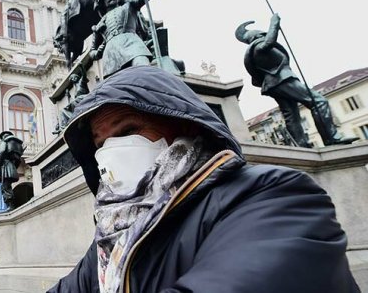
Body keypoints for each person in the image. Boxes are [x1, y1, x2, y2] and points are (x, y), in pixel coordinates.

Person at [49, 66, 359, 293]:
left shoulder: (276, 196)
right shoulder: (113, 232)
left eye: (128, 130)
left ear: (186, 127)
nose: (111, 151)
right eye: (100, 144)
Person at [236, 13, 358, 147]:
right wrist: (274, 23)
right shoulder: (258, 48)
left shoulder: (254, 52)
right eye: (262, 34)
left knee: (291, 115)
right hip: (281, 80)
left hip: (274, 84)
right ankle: (332, 138)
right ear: (257, 37)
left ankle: (302, 146)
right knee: (318, 101)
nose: (265, 35)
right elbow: (269, 42)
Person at [90, 0, 158, 78]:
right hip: (111, 54)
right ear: (102, 2)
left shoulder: (130, 5)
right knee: (117, 88)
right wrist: (98, 53)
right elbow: (92, 52)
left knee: (145, 72)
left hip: (132, 44)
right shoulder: (99, 25)